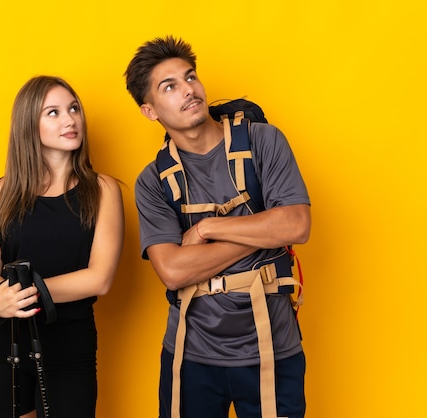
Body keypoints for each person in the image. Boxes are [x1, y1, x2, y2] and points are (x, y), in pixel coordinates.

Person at [124, 36, 311, 418]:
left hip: (272, 347)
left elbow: (296, 223)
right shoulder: (152, 181)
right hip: (190, 354)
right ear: (149, 110)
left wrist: (210, 228)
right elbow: (173, 271)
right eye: (169, 86)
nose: (188, 90)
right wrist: (261, 233)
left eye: (190, 77)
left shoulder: (263, 141)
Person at [0, 75, 124, 418]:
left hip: (68, 347)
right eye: (53, 112)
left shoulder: (103, 191)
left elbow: (99, 279)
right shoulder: (1, 192)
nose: (70, 120)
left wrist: (20, 293)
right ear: (28, 125)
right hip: (0, 347)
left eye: (73, 109)